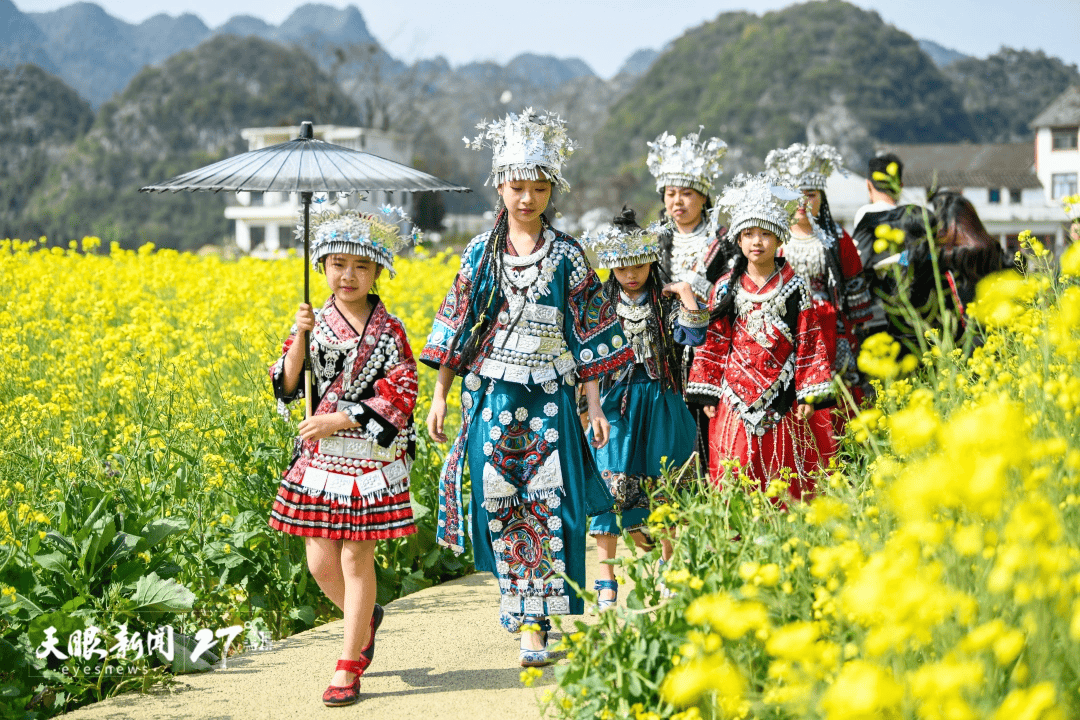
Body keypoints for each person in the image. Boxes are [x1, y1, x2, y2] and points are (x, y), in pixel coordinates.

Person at [422, 110, 632, 667]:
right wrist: (440, 395)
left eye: (539, 188)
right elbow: (457, 326)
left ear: (551, 191)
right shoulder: (479, 253)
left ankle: (537, 620)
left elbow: (590, 333)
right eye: (518, 187)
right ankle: (525, 612)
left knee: (549, 501)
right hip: (493, 396)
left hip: (550, 400)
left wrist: (594, 406)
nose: (528, 198)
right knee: (500, 501)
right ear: (499, 185)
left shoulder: (567, 255)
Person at [267, 209, 419, 707]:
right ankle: (366, 618)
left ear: (378, 272)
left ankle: (348, 663)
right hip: (320, 460)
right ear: (322, 267)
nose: (348, 276)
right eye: (337, 264)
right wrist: (299, 337)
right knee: (319, 563)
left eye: (360, 266)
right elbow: (288, 384)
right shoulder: (314, 322)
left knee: (356, 558)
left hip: (369, 457)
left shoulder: (390, 329)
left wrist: (339, 418)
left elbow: (401, 392)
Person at [579, 207, 708, 609]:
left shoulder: (664, 302)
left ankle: (669, 565)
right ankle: (606, 577)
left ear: (652, 261)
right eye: (621, 268)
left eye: (638, 265)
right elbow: (585, 358)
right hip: (614, 404)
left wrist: (685, 293)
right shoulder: (600, 304)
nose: (631, 274)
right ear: (611, 268)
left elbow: (694, 336)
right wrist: (587, 408)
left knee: (665, 482)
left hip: (661, 400)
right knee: (609, 483)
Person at [687, 174, 834, 500]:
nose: (757, 241)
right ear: (738, 240)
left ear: (779, 238)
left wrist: (808, 395)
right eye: (749, 234)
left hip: (783, 396)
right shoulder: (724, 287)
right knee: (735, 467)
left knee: (783, 469)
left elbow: (809, 341)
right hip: (733, 397)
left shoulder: (795, 285)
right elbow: (714, 342)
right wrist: (708, 392)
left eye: (766, 233)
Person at [765, 142, 871, 427]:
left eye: (810, 194)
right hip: (782, 324)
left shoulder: (837, 237)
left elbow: (854, 285)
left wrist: (859, 331)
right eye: (794, 195)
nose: (802, 202)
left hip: (829, 327)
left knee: (836, 395)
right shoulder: (772, 237)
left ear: (822, 198)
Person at [646, 129, 732, 470]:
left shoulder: (723, 243)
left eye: (686, 194)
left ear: (703, 196)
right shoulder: (652, 240)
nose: (677, 202)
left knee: (704, 427)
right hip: (663, 348)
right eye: (671, 194)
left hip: (709, 347)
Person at [851, 152, 919, 338]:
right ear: (900, 186)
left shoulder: (866, 215)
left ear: (868, 185)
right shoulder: (914, 219)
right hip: (913, 315)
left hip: (877, 316)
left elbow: (857, 267)